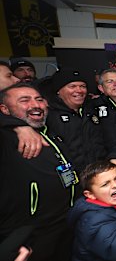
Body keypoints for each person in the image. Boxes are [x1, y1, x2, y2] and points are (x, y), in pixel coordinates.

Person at [0, 83, 76, 261]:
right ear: (4, 109)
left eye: (39, 99)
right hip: (30, 235)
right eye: (24, 100)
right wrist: (15, 125)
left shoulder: (50, 132)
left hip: (65, 225)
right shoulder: (6, 138)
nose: (35, 105)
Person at [45, 67, 107, 173]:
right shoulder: (48, 115)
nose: (79, 90)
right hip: (67, 177)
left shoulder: (92, 110)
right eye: (72, 86)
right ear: (58, 91)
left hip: (96, 174)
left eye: (83, 86)